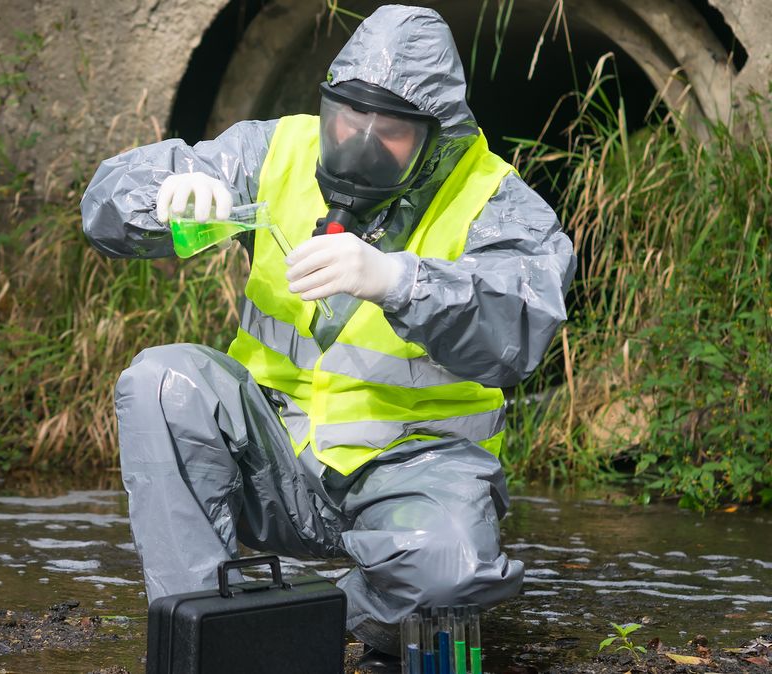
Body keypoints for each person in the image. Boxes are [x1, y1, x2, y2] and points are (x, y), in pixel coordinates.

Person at [80, 3, 574, 658]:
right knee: (160, 380)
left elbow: (521, 328)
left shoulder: (494, 200)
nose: (360, 142)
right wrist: (162, 198)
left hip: (413, 468)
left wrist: (398, 280)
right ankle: (204, 631)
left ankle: (317, 620)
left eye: (390, 130)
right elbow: (104, 203)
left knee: (451, 578)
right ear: (328, 103)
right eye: (347, 118)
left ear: (437, 136)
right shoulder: (277, 150)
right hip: (274, 453)